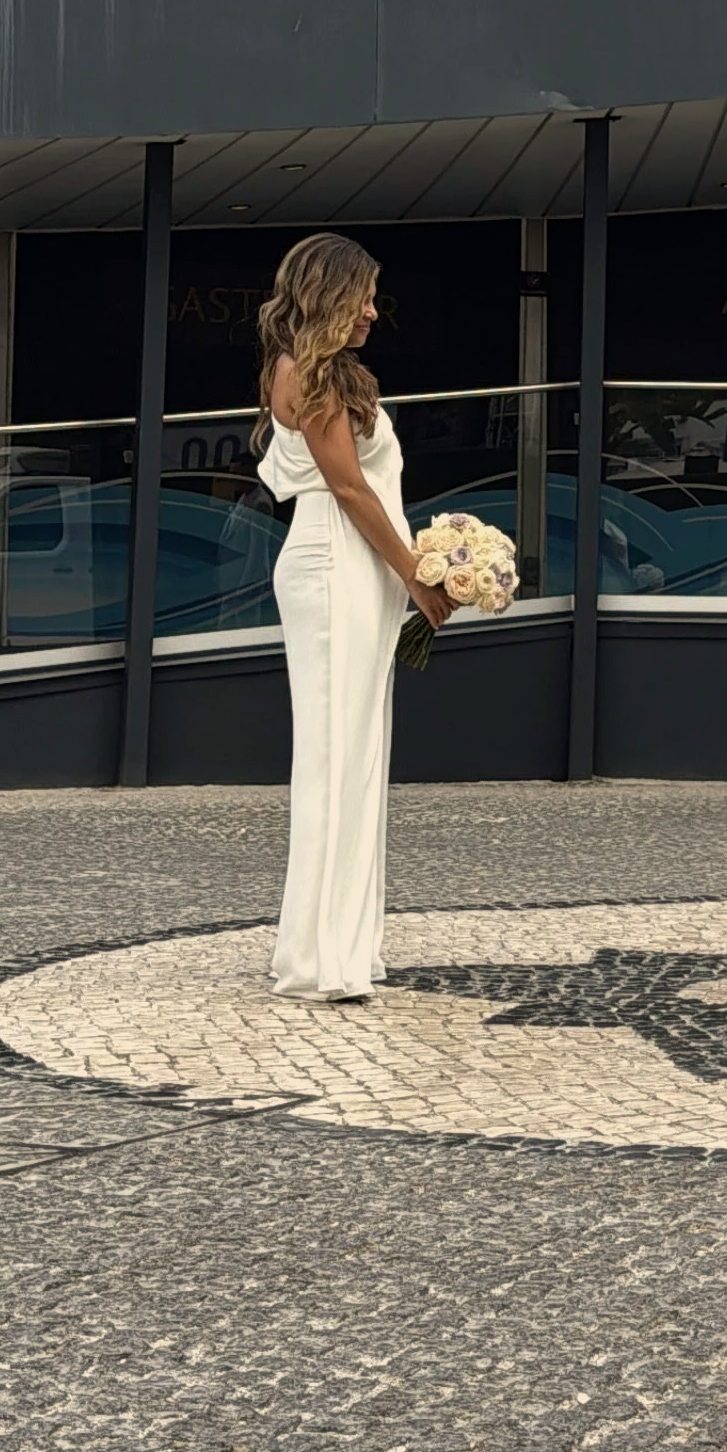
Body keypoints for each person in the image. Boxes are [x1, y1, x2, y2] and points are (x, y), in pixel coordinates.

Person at [256, 233, 446, 998]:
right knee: (336, 757)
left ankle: (346, 947)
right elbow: (350, 490)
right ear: (330, 295)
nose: (374, 310)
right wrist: (419, 575)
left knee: (359, 754)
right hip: (334, 563)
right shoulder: (304, 373)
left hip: (356, 567)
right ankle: (317, 960)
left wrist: (416, 567)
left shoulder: (331, 374)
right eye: (363, 295)